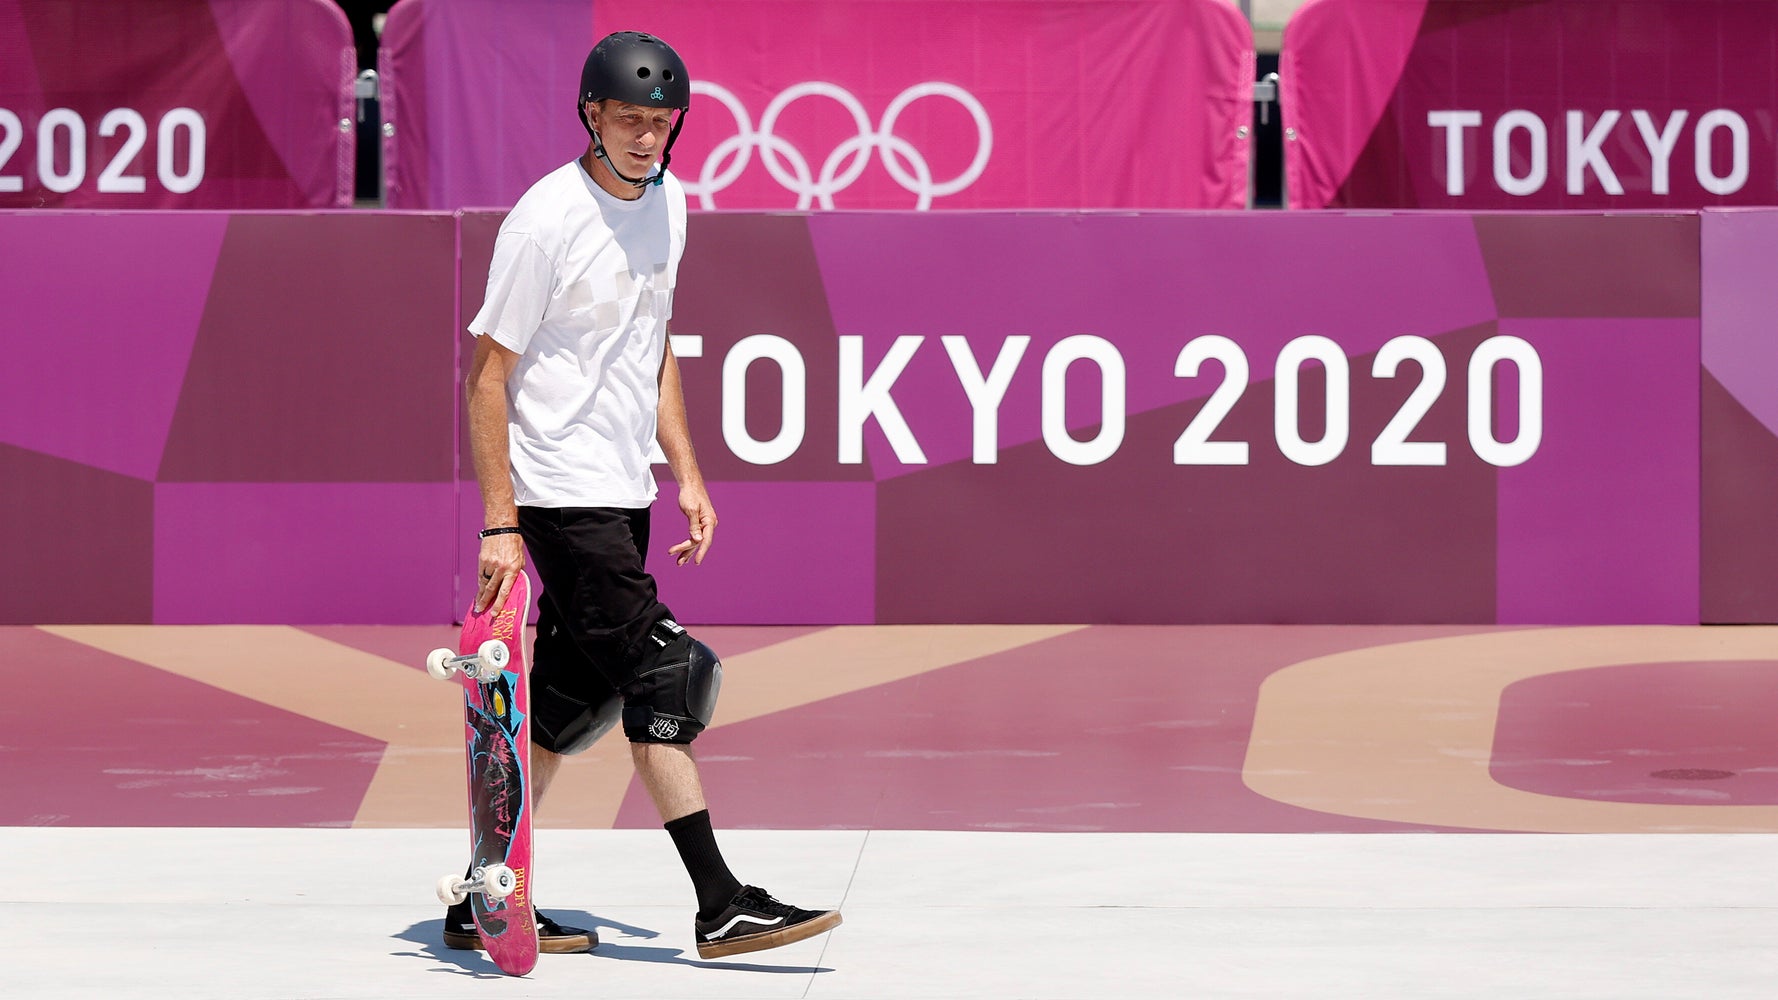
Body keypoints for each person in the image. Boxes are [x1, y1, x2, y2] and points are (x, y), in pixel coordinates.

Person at [446, 30, 842, 960]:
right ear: (591, 114)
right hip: (558, 494)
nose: (646, 139)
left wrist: (687, 471)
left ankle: (483, 896)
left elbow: (651, 342)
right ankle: (722, 902)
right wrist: (500, 524)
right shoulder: (544, 222)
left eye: (662, 124)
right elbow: (485, 379)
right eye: (629, 120)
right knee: (668, 674)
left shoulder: (671, 205)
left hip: (623, 487)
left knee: (568, 706)